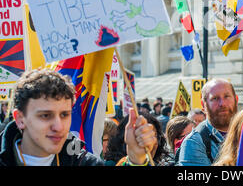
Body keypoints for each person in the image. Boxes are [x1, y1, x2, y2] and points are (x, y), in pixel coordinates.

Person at [0, 69, 156, 166]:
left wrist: (136, 159)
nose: (59, 126)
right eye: (45, 115)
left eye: (64, 115)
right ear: (20, 119)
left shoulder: (85, 162)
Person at [176, 78, 238, 166]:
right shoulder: (194, 142)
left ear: (236, 99)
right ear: (203, 105)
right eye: (215, 98)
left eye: (227, 96)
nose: (222, 103)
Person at [104, 110, 171, 166]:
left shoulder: (161, 163)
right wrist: (136, 160)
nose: (147, 141)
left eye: (152, 135)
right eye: (139, 136)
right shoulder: (110, 164)